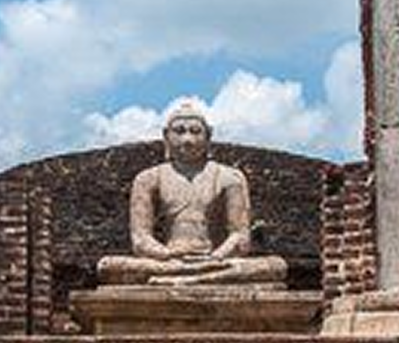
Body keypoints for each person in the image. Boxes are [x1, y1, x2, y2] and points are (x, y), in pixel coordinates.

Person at [95, 100, 287, 286]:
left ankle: (187, 278)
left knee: (276, 266)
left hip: (215, 260)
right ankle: (197, 278)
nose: (187, 140)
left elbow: (240, 237)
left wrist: (215, 257)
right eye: (179, 131)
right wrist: (168, 255)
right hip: (167, 261)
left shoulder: (230, 177)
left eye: (196, 132)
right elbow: (140, 239)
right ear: (166, 136)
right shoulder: (148, 178)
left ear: (208, 136)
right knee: (108, 266)